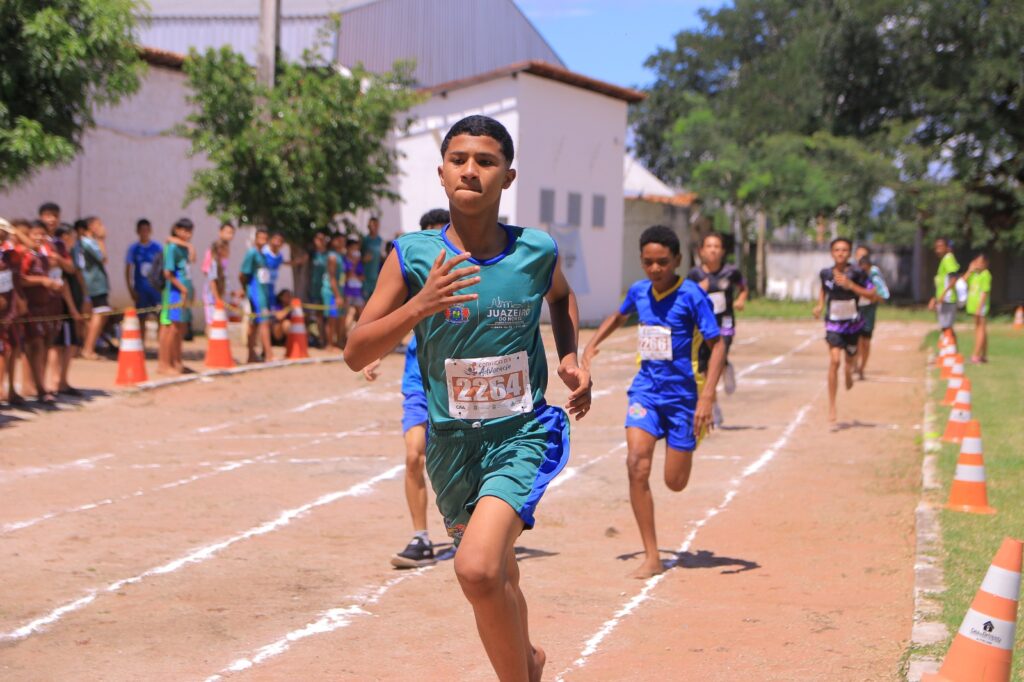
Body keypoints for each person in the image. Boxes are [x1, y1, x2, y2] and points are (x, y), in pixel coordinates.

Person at [345, 115, 591, 682]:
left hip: (521, 436)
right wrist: (419, 305)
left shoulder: (536, 251)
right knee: (500, 573)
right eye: (459, 159)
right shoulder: (412, 255)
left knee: (477, 571)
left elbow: (562, 299)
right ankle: (527, 661)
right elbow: (356, 351)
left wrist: (570, 358)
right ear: (440, 172)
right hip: (451, 447)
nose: (471, 170)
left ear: (508, 176)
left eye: (486, 161)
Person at [583, 225, 724, 579]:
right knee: (636, 464)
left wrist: (707, 396)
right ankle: (651, 555)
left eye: (663, 262)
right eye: (648, 262)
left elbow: (717, 344)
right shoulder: (639, 291)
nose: (655, 269)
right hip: (645, 392)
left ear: (677, 260)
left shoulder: (692, 295)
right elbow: (619, 315)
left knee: (675, 482)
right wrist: (592, 343)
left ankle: (684, 442)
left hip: (684, 399)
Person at [360, 208, 452, 569]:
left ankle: (474, 527)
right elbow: (387, 319)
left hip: (457, 385)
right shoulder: (411, 281)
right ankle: (421, 538)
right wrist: (375, 353)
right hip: (419, 381)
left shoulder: (465, 278)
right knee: (414, 454)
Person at [686, 231, 746, 426]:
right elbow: (686, 297)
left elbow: (743, 287)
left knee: (717, 357)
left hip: (724, 323)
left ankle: (725, 365)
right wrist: (698, 291)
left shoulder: (731, 272)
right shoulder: (694, 274)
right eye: (709, 246)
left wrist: (740, 299)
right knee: (703, 368)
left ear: (722, 251)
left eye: (716, 247)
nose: (712, 250)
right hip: (702, 325)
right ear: (701, 251)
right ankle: (714, 403)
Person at [813, 237, 874, 423]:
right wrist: (819, 305)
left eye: (844, 250)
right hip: (833, 322)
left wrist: (851, 286)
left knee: (849, 359)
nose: (840, 253)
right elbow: (824, 290)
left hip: (853, 323)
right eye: (837, 250)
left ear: (849, 253)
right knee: (834, 361)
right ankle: (832, 406)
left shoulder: (858, 273)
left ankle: (849, 371)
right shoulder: (825, 273)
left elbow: (871, 293)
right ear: (832, 253)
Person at [19, 221, 63, 404]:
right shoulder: (26, 256)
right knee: (33, 345)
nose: (38, 237)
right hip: (30, 309)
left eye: (41, 234)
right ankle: (36, 387)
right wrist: (42, 280)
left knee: (43, 345)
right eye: (34, 234)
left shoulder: (43, 257)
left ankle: (39, 384)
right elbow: (20, 279)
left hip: (44, 308)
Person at [49, 224, 83, 395]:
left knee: (68, 344)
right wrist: (72, 309)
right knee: (61, 344)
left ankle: (62, 380)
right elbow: (65, 283)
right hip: (62, 308)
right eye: (71, 237)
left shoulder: (68, 254)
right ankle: (57, 381)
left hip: (70, 306)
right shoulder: (58, 252)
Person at [158, 218, 195, 374]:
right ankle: (164, 364)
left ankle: (176, 360)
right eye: (184, 231)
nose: (187, 235)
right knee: (170, 328)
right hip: (174, 292)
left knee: (180, 329)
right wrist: (182, 289)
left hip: (185, 290)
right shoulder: (172, 247)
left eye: (189, 232)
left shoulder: (184, 248)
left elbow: (192, 260)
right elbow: (168, 273)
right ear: (177, 230)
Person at [74, 216, 111, 359]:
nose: (102, 227)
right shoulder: (88, 243)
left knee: (97, 314)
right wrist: (101, 240)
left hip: (95, 283)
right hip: (93, 284)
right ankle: (88, 348)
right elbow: (103, 258)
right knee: (99, 313)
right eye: (99, 224)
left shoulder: (86, 243)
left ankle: (87, 346)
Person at [125, 218, 163, 348]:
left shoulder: (157, 248)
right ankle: (141, 346)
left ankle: (161, 346)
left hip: (156, 291)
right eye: (142, 230)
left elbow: (163, 267)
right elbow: (128, 269)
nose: (145, 232)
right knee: (141, 318)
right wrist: (130, 289)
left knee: (160, 317)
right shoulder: (134, 249)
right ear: (137, 231)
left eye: (147, 230)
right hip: (141, 289)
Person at [853, 247, 890, 379]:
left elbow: (883, 295)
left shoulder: (874, 274)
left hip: (868, 311)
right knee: (856, 339)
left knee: (866, 341)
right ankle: (855, 364)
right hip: (856, 309)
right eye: (858, 255)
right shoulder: (853, 272)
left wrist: (873, 297)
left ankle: (862, 367)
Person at [240, 228, 274, 363]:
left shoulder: (264, 255)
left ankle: (252, 355)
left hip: (263, 292)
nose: (263, 241)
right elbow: (243, 274)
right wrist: (246, 289)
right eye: (260, 238)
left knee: (255, 325)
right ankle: (269, 354)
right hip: (255, 292)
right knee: (263, 321)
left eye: (265, 238)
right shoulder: (252, 253)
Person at [202, 221, 235, 326]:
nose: (229, 235)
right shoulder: (214, 253)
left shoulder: (225, 253)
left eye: (231, 233)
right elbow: (209, 275)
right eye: (227, 232)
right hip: (212, 293)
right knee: (212, 320)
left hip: (220, 292)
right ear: (220, 232)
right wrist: (216, 297)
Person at [928, 237, 960, 344]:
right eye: (936, 247)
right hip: (944, 298)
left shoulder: (948, 258)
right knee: (945, 326)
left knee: (947, 327)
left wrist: (943, 295)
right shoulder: (944, 260)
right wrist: (934, 298)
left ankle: (950, 353)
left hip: (948, 298)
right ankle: (948, 352)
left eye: (941, 247)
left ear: (947, 248)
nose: (938, 249)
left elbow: (954, 278)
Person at [321, 232, 347, 351]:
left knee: (340, 316)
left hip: (339, 289)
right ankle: (329, 344)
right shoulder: (332, 256)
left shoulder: (340, 255)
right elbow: (331, 278)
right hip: (330, 291)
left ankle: (338, 341)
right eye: (339, 240)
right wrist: (337, 296)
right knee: (331, 317)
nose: (342, 243)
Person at [964, 253, 991, 363]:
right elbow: (963, 282)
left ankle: (975, 355)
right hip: (973, 306)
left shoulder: (985, 274)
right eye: (977, 262)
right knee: (981, 329)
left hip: (980, 306)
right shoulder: (974, 274)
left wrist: (980, 307)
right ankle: (983, 355)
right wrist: (970, 270)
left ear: (986, 264)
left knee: (980, 330)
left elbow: (985, 292)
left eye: (981, 263)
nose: (979, 265)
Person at [306, 230, 329, 348]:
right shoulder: (312, 254)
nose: (320, 241)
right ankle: (320, 340)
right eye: (318, 239)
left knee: (327, 317)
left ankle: (326, 340)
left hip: (326, 290)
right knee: (317, 316)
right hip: (314, 289)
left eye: (322, 239)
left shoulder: (329, 255)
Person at [343, 236, 366, 331]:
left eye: (357, 248)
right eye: (353, 248)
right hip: (347, 292)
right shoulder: (344, 261)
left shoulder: (359, 262)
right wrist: (354, 264)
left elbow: (362, 277)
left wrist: (354, 275)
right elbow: (347, 276)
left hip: (357, 292)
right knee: (349, 313)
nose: (356, 251)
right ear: (348, 248)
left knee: (362, 314)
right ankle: (344, 338)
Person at [360, 216, 384, 301]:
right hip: (365, 277)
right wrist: (363, 259)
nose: (374, 227)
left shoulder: (380, 240)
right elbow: (359, 258)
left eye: (376, 225)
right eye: (372, 225)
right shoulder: (365, 240)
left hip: (376, 277)